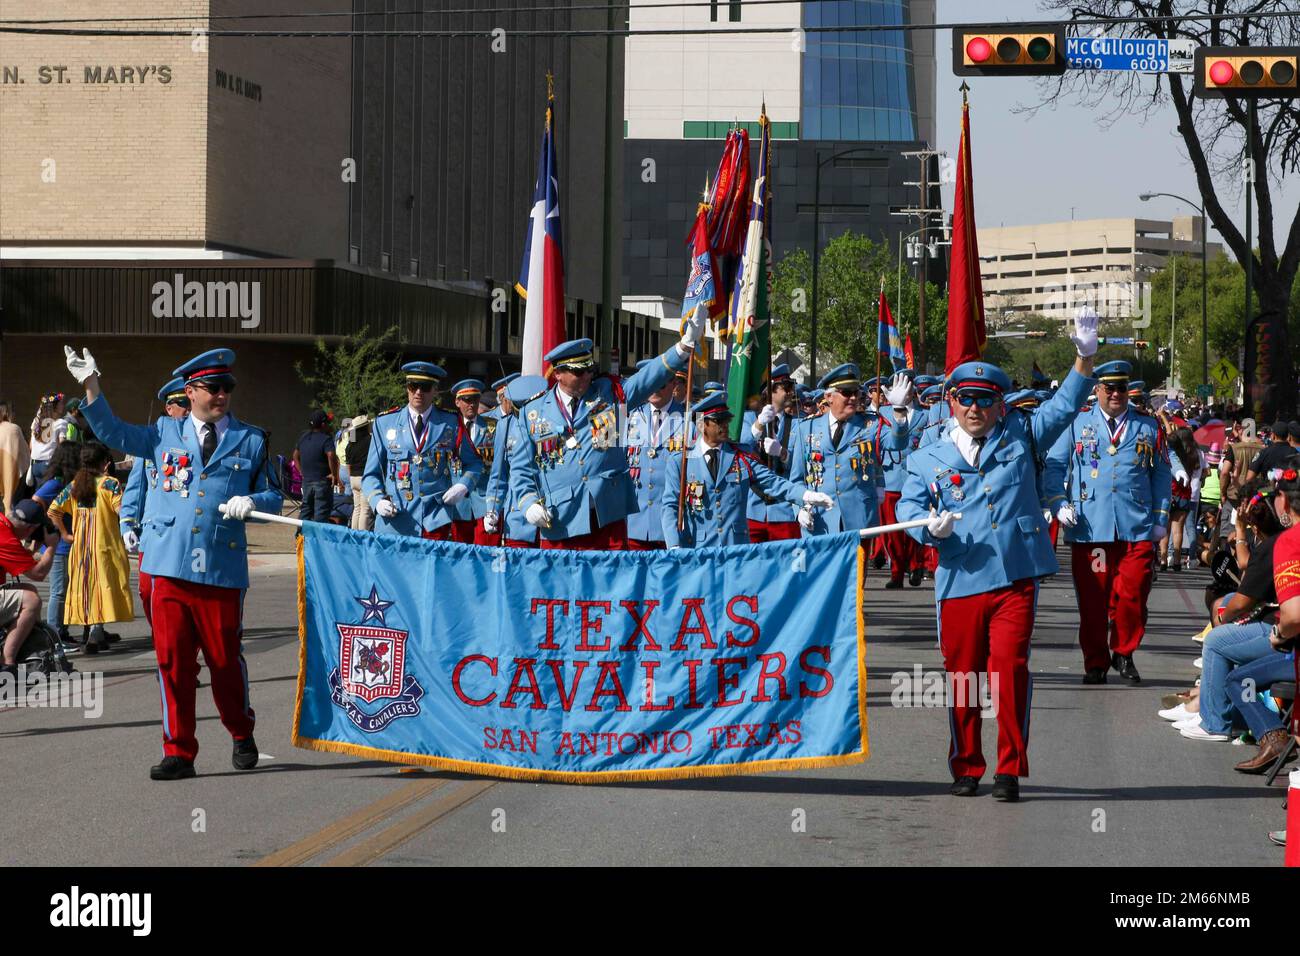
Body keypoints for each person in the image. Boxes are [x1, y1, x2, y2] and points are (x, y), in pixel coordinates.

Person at [897, 305, 1098, 801]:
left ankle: (1009, 768)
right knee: (963, 677)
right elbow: (908, 505)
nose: (975, 408)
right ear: (951, 401)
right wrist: (929, 529)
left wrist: (1083, 358)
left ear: (1000, 404)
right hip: (960, 577)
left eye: (986, 400)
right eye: (966, 399)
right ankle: (966, 765)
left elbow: (1065, 407)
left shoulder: (1021, 435)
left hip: (1013, 576)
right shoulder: (926, 455)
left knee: (1009, 671)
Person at [64, 344, 283, 781]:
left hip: (220, 569)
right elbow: (113, 432)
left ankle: (241, 731)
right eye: (212, 387)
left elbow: (275, 494)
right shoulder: (164, 431)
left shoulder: (252, 439)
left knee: (223, 662)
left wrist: (252, 500)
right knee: (172, 661)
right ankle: (179, 751)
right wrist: (92, 384)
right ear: (191, 389)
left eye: (227, 388)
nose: (221, 395)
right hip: (166, 566)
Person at [509, 319, 699, 550]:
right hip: (560, 519)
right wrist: (528, 502)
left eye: (590, 369)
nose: (587, 377)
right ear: (558, 373)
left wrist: (683, 347)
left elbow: (647, 378)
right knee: (560, 586)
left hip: (607, 515)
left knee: (612, 584)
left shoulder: (610, 393)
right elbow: (521, 468)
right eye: (579, 372)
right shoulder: (533, 412)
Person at [1042, 358, 1172, 685]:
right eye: (1110, 388)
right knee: (1093, 600)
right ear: (1097, 389)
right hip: (1091, 527)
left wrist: (1160, 518)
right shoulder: (1076, 423)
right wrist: (1058, 502)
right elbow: (1055, 467)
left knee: (1134, 591)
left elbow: (1161, 474)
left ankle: (1124, 651)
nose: (1116, 394)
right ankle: (1096, 661)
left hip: (1136, 524)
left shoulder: (1149, 426)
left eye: (1122, 388)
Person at [661, 393, 831, 548]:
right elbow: (670, 505)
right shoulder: (681, 462)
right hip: (698, 548)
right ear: (701, 425)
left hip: (735, 548)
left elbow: (773, 483)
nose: (726, 426)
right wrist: (674, 544)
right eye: (719, 421)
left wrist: (807, 496)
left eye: (727, 420)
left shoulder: (740, 457)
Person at [785, 367, 913, 538]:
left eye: (856, 392)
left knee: (857, 566)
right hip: (819, 522)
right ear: (828, 397)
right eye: (846, 393)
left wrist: (899, 410)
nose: (853, 398)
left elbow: (898, 443)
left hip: (858, 521)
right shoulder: (807, 428)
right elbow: (797, 478)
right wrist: (800, 507)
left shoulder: (871, 424)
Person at [362, 362, 483, 539]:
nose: (418, 392)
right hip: (396, 519)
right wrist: (377, 500)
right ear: (407, 388)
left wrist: (463, 486)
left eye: (425, 387)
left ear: (435, 390)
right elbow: (370, 474)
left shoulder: (450, 423)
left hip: (434, 521)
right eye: (413, 386)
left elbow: (474, 463)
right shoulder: (385, 422)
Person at [47, 443, 133, 655]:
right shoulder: (110, 485)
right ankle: (95, 632)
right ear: (105, 464)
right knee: (104, 588)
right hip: (105, 546)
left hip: (81, 548)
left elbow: (53, 511)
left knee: (87, 588)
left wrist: (66, 534)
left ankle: (96, 631)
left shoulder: (75, 485)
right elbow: (122, 511)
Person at [121, 378, 190, 629]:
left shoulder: (202, 441)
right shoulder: (155, 440)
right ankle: (162, 638)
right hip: (154, 534)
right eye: (183, 404)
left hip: (186, 534)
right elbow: (136, 486)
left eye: (191, 403)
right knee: (148, 592)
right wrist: (127, 522)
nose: (188, 409)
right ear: (170, 408)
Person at [625, 360, 687, 550]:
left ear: (674, 384)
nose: (654, 390)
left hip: (672, 526)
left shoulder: (690, 419)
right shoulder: (625, 416)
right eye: (649, 385)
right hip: (633, 522)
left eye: (660, 384)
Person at [874, 370, 925, 588]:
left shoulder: (926, 414)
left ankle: (915, 565)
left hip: (915, 478)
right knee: (891, 530)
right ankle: (896, 572)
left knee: (914, 525)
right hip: (891, 477)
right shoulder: (884, 412)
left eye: (910, 384)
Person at [741, 364, 802, 543]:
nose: (792, 392)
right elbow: (741, 449)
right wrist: (758, 425)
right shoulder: (748, 419)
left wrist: (783, 454)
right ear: (771, 390)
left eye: (792, 387)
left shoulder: (799, 424)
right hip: (753, 509)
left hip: (784, 510)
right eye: (787, 387)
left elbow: (802, 466)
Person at [486, 375, 547, 547]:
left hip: (552, 513)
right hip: (518, 517)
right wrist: (493, 508)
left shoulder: (551, 421)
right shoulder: (505, 426)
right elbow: (499, 474)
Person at [0, 499, 59, 677]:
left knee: (26, 588)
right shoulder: (6, 537)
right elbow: (38, 573)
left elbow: (21, 560)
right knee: (31, 600)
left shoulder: (3, 525)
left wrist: (34, 547)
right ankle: (7, 662)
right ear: (30, 529)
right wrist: (51, 547)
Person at [447, 379, 497, 544]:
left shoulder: (493, 427)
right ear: (457, 402)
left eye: (475, 399)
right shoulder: (448, 428)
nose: (471, 404)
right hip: (458, 504)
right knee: (460, 556)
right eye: (467, 400)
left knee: (486, 555)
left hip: (485, 502)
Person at [294, 410, 341, 525]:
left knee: (305, 510)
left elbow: (295, 456)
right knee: (321, 513)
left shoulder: (303, 437)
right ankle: (318, 540)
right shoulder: (326, 439)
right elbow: (331, 455)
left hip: (307, 481)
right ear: (323, 424)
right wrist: (334, 474)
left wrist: (302, 472)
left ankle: (300, 539)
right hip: (322, 481)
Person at [28, 392, 66, 487]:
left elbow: (31, 446)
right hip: (49, 465)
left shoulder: (36, 422)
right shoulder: (61, 423)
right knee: (50, 499)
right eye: (61, 403)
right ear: (55, 406)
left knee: (38, 497)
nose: (63, 406)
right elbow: (63, 447)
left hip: (35, 465)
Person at [344, 414, 374, 531]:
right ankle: (362, 536)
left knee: (357, 508)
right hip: (364, 478)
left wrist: (351, 476)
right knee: (365, 510)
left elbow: (348, 465)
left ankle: (354, 534)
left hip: (353, 478)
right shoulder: (370, 441)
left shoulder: (350, 444)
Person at [0, 402, 31, 513]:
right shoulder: (14, 429)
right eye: (13, 412)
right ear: (7, 413)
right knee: (12, 507)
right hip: (13, 475)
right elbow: (25, 453)